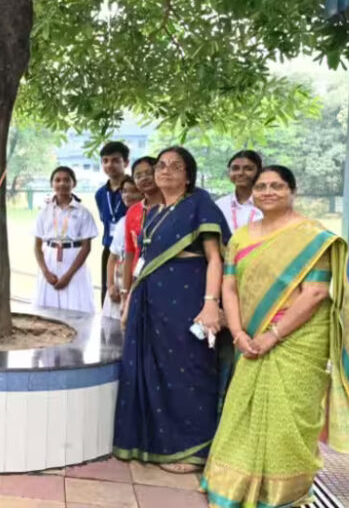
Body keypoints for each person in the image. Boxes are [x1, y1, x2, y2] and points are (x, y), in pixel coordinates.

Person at [203, 166, 349, 507]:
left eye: (277, 186)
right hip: (251, 336)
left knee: (290, 416)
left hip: (299, 337)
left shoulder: (312, 237)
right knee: (241, 409)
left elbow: (315, 293)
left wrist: (273, 336)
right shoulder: (242, 236)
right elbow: (229, 286)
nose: (267, 191)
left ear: (293, 191)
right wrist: (240, 332)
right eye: (261, 186)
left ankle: (282, 492)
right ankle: (234, 485)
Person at [113, 146, 230, 474]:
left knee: (189, 370)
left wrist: (211, 303)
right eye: (161, 166)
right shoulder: (153, 212)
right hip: (150, 302)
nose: (165, 171)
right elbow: (143, 263)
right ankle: (156, 444)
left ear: (188, 175)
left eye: (175, 166)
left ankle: (193, 449)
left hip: (187, 299)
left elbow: (215, 258)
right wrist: (129, 302)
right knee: (153, 371)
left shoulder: (199, 205)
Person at [32, 167, 97, 313]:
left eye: (67, 180)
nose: (62, 183)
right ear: (52, 184)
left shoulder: (83, 212)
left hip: (73, 264)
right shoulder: (44, 212)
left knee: (75, 305)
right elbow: (37, 247)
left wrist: (68, 276)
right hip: (50, 263)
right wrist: (45, 272)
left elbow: (86, 247)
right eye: (57, 180)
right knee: (47, 310)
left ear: (74, 183)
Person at [119, 157, 161, 314]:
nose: (144, 178)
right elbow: (130, 252)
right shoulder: (133, 211)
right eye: (138, 175)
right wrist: (125, 292)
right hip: (138, 281)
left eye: (149, 173)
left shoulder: (173, 208)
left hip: (164, 279)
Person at [95, 141, 130, 305]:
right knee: (108, 292)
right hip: (110, 249)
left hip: (132, 250)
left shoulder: (134, 190)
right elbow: (105, 219)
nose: (110, 165)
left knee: (128, 293)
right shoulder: (100, 194)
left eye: (116, 160)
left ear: (126, 163)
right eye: (105, 161)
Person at [104, 177, 141, 319]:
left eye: (133, 191)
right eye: (124, 191)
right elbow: (112, 257)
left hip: (135, 279)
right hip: (118, 279)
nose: (128, 195)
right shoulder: (122, 222)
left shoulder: (149, 219)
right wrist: (110, 285)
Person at [214, 150, 263, 235]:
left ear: (259, 172)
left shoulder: (267, 203)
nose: (240, 173)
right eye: (235, 168)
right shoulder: (220, 205)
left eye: (248, 169)